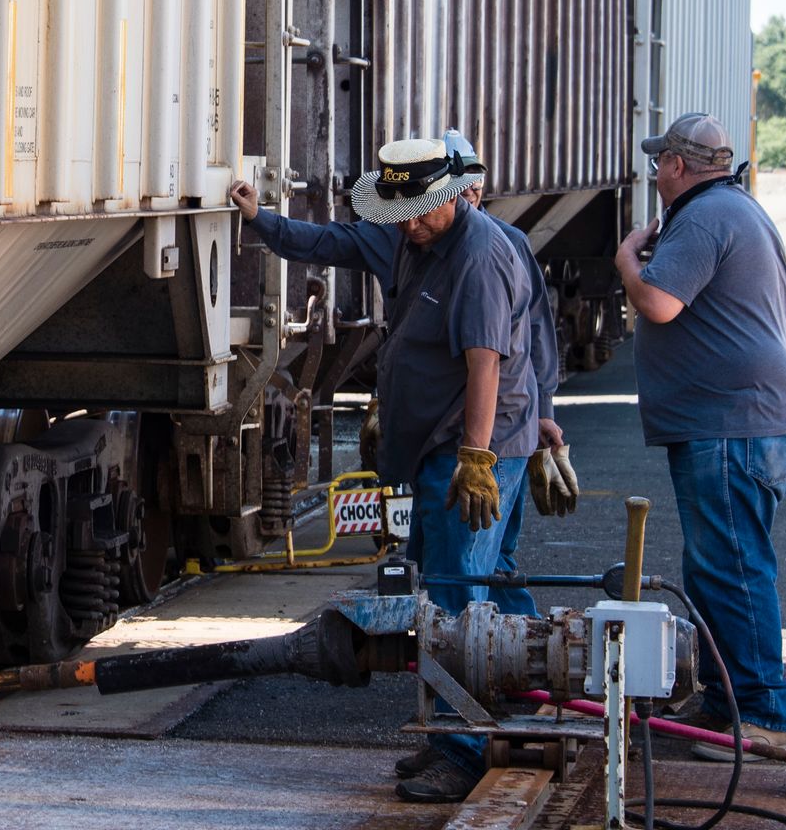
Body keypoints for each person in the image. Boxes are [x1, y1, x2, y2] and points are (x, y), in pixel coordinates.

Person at [233, 137, 539, 803]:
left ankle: (462, 751)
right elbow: (329, 245)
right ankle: (524, 711)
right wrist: (260, 220)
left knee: (458, 599)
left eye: (423, 211)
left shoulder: (481, 256)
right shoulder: (408, 235)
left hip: (471, 448)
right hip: (438, 445)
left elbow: (486, 365)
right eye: (402, 212)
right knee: (461, 584)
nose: (410, 223)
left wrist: (479, 460)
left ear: (456, 197)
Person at [616, 113, 786, 759]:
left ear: (676, 164)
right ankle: (727, 701)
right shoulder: (740, 209)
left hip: (732, 423)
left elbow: (660, 303)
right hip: (751, 418)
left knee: (732, 570)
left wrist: (626, 260)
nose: (655, 173)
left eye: (658, 162)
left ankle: (765, 717)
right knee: (716, 568)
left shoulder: (700, 217)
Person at [440, 130, 580, 618]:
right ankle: (520, 661)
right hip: (488, 431)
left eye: (475, 182)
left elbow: (538, 338)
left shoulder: (504, 245)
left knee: (484, 562)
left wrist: (546, 416)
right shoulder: (436, 249)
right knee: (488, 561)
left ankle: (501, 667)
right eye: (461, 183)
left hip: (504, 435)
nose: (471, 192)